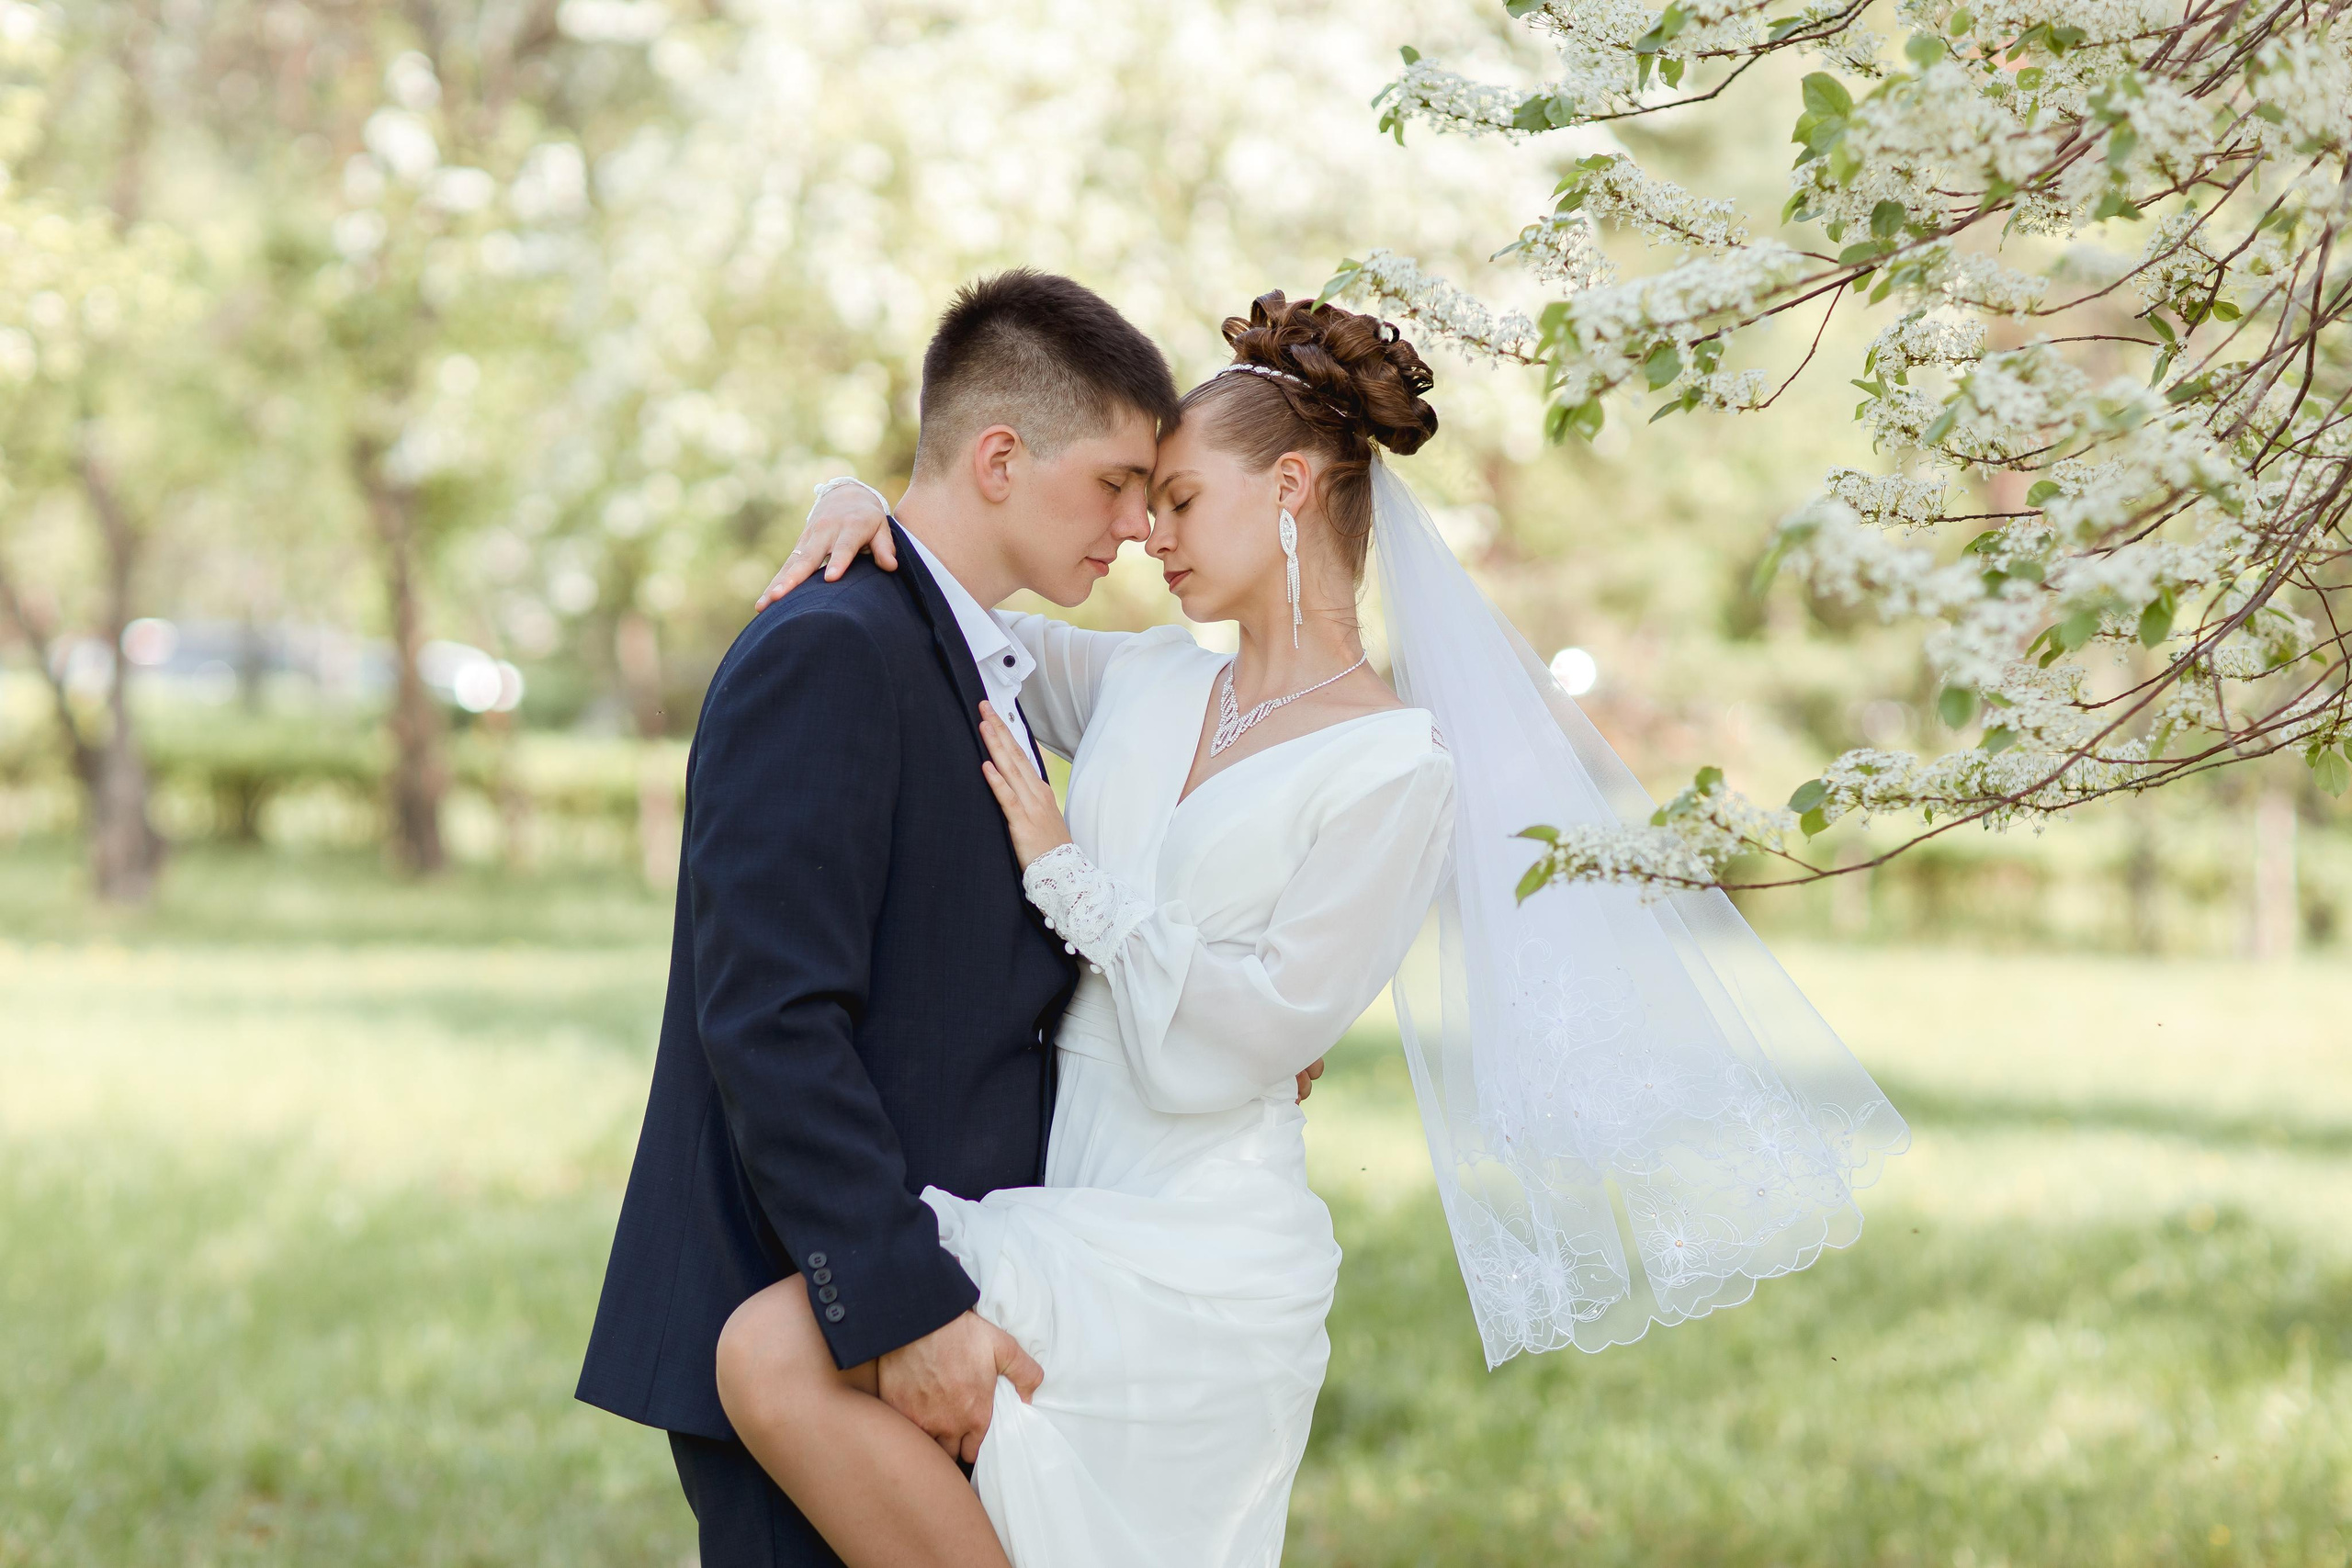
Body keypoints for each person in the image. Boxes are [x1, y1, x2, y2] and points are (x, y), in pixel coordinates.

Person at [723, 291, 1910, 1567]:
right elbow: (949, 613)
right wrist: (856, 496)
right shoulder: (1148, 679)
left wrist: (1070, 875)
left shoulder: (1397, 770)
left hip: (1202, 1249)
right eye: (1139, 501)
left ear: (1288, 488)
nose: (1143, 535)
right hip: (1063, 1193)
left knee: (776, 1350)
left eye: (1176, 501)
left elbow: (1261, 1030)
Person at [574, 268, 1193, 1568]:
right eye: (1117, 483)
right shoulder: (833, 649)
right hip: (818, 1317)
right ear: (1000, 458)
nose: (1138, 526)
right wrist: (899, 1309)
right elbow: (773, 1017)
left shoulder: (971, 655)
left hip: (945, 1299)